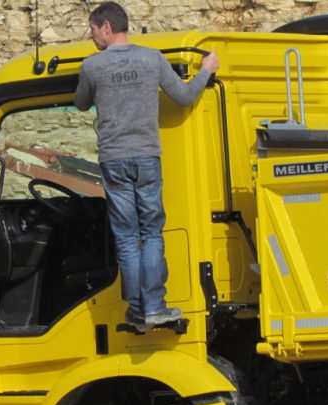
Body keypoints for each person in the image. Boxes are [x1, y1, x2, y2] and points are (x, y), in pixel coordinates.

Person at [74, 2, 219, 331]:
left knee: (127, 238)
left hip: (113, 159)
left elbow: (81, 103)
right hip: (146, 157)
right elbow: (184, 96)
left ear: (107, 28)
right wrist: (207, 69)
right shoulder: (152, 58)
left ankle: (139, 310)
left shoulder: (92, 66)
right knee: (152, 233)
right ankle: (154, 306)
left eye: (93, 29)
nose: (92, 36)